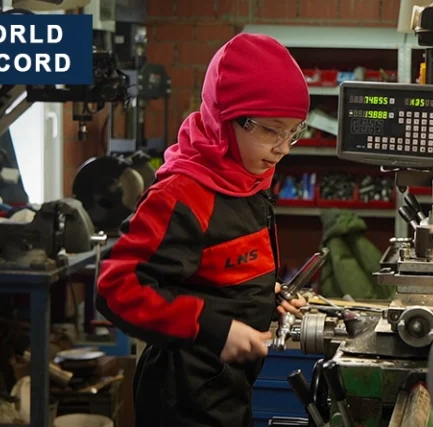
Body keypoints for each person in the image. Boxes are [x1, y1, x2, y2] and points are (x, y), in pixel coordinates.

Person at [95, 33, 310, 427]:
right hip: (182, 398)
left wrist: (266, 297)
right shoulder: (182, 195)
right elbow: (117, 286)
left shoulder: (249, 181)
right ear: (225, 118)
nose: (284, 148)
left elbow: (217, 269)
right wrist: (216, 329)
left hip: (229, 389)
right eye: (270, 130)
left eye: (294, 132)